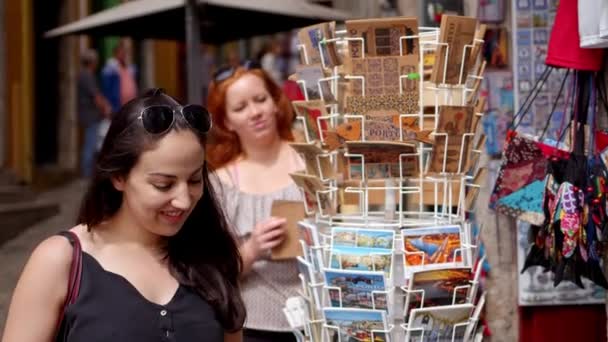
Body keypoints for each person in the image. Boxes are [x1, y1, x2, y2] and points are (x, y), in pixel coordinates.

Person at [2, 89, 245, 342]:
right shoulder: (60, 260)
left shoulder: (213, 255)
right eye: (163, 184)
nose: (184, 200)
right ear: (119, 177)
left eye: (195, 180)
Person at [206, 62, 305, 342]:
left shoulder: (311, 160)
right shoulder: (221, 184)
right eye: (240, 108)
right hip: (254, 328)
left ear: (275, 102)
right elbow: (210, 274)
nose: (255, 112)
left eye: (260, 100)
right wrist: (250, 249)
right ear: (227, 121)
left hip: (320, 320)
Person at [77, 49, 111, 178]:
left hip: (90, 115)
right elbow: (95, 96)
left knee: (92, 144)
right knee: (90, 145)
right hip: (90, 116)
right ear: (92, 62)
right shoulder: (87, 76)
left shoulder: (85, 75)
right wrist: (106, 107)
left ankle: (88, 173)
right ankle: (86, 175)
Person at [101, 39, 138, 114]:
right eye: (121, 53)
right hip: (117, 104)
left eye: (124, 53)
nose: (123, 55)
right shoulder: (110, 68)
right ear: (116, 54)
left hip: (130, 103)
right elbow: (106, 87)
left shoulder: (129, 67)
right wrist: (108, 104)